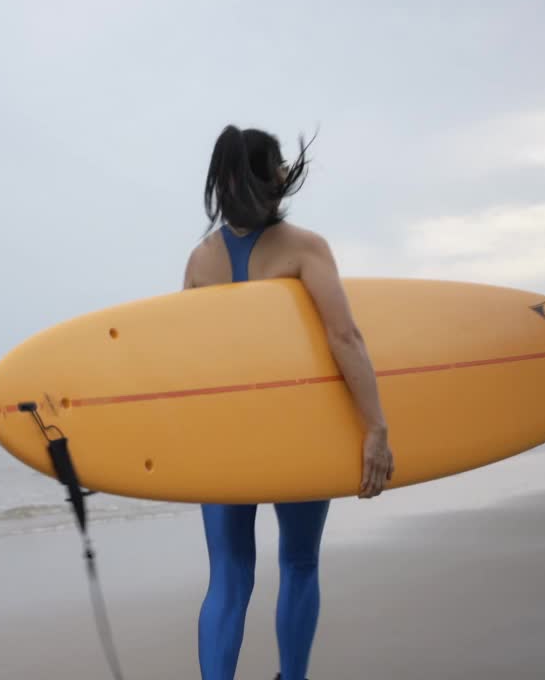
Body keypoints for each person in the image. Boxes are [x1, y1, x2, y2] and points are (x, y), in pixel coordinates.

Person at [183, 125, 395, 680]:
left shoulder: (200, 262)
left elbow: (186, 365)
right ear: (274, 175)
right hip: (298, 435)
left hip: (225, 443)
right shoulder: (305, 248)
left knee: (228, 579)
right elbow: (344, 338)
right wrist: (375, 428)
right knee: (298, 562)